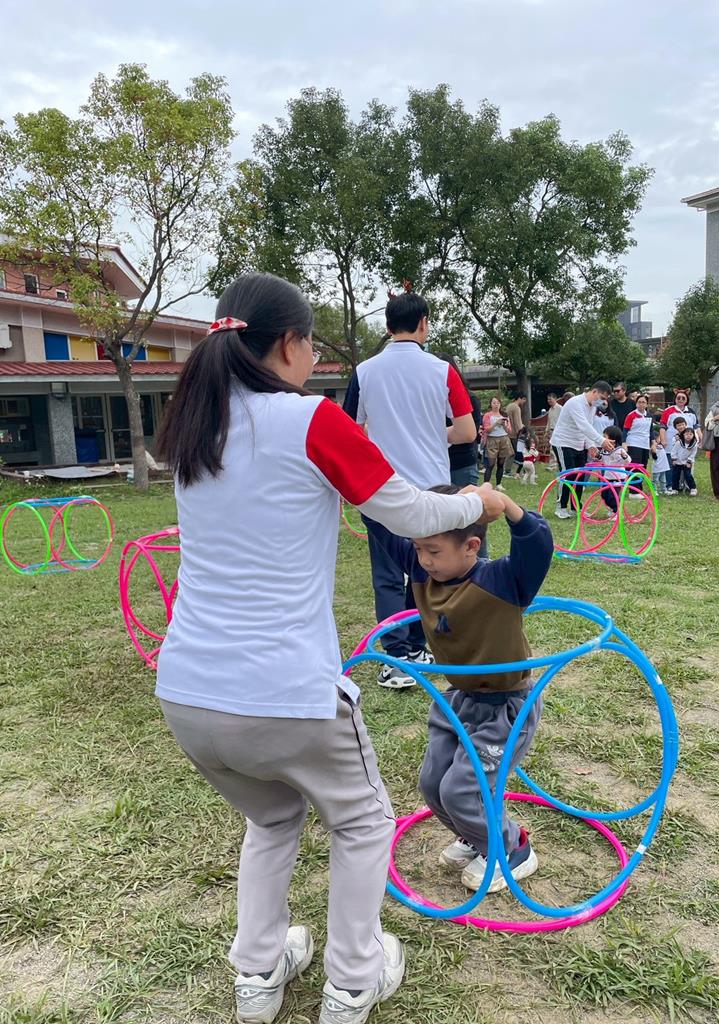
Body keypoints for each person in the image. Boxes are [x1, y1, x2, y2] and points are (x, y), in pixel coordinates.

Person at [154, 272, 507, 1024]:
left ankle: (257, 974)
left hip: (187, 694)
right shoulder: (309, 418)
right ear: (287, 343)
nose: (315, 359)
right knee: (363, 822)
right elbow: (412, 512)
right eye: (312, 344)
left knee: (272, 819)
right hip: (286, 694)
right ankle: (353, 979)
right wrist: (480, 500)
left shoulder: (194, 426)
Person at [366, 485, 553, 893]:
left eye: (433, 550)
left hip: (506, 707)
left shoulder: (503, 580)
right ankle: (474, 835)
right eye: (418, 549)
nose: (422, 560)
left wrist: (505, 505)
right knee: (433, 784)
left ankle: (512, 848)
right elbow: (379, 522)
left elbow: (537, 544)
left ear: (471, 546)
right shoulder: (422, 571)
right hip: (457, 702)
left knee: (462, 789)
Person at [343, 292, 478, 689]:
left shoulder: (364, 372)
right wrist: (435, 435)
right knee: (426, 569)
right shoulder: (442, 370)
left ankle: (395, 657)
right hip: (433, 491)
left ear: (387, 326)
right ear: (424, 323)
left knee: (387, 575)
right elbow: (467, 431)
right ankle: (418, 646)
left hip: (381, 488)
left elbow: (351, 433)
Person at [437, 353, 488, 558]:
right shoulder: (430, 399)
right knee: (441, 520)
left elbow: (469, 434)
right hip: (437, 466)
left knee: (472, 518)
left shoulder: (468, 398)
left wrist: (436, 435)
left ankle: (481, 561)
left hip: (462, 465)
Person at [549, 381, 615, 519]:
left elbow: (588, 426)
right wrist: (601, 441)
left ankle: (576, 507)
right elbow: (583, 425)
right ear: (595, 392)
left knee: (580, 475)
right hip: (563, 442)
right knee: (568, 474)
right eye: (602, 398)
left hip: (579, 444)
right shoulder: (575, 403)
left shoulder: (592, 407)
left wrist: (590, 445)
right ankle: (561, 507)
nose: (603, 402)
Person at [659, 389, 701, 493]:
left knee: (687, 465)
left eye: (683, 398)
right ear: (675, 399)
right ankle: (671, 486)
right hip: (672, 444)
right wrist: (663, 439)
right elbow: (662, 426)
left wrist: (701, 439)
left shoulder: (691, 411)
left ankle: (687, 486)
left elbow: (696, 427)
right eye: (678, 398)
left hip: (687, 445)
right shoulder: (668, 411)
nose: (681, 400)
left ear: (687, 400)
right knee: (672, 465)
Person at [597, 425, 631, 515]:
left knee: (613, 496)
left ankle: (617, 512)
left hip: (618, 477)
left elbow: (628, 461)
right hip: (607, 477)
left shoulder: (620, 450)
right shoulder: (604, 450)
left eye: (605, 437)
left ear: (613, 439)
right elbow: (603, 460)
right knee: (604, 495)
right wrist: (597, 456)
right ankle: (613, 509)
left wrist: (624, 456)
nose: (603, 439)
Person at [482, 396, 513, 489]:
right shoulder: (487, 415)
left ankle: (498, 484)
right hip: (492, 439)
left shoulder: (504, 415)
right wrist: (496, 423)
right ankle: (486, 485)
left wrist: (504, 425)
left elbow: (509, 431)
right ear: (491, 404)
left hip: (504, 438)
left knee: (501, 463)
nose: (496, 405)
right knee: (490, 464)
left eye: (498, 403)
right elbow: (487, 429)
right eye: (494, 403)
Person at [622, 393, 656, 469]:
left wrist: (653, 444)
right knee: (634, 467)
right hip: (633, 444)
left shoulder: (649, 416)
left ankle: (640, 478)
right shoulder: (631, 415)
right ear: (636, 404)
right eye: (639, 402)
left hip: (645, 445)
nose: (641, 404)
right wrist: (624, 443)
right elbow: (625, 430)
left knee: (643, 467)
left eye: (643, 402)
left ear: (647, 404)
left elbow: (650, 431)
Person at [503, 392, 527, 476]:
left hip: (508, 432)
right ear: (520, 398)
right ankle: (524, 471)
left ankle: (507, 470)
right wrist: (522, 431)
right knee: (520, 452)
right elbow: (518, 423)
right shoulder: (516, 408)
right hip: (515, 434)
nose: (524, 402)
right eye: (524, 399)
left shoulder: (509, 406)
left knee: (511, 452)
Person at [670, 426, 698, 495]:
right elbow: (674, 451)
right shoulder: (679, 443)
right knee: (675, 476)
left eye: (690, 434)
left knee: (688, 475)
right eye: (687, 434)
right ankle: (674, 489)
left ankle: (693, 488)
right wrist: (674, 459)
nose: (688, 436)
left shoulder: (694, 444)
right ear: (683, 435)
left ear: (693, 435)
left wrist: (689, 461)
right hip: (677, 462)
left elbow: (693, 454)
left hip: (687, 463)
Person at [545, 392, 562, 470]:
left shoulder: (560, 408)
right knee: (551, 448)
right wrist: (546, 431)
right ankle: (552, 465)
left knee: (557, 448)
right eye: (548, 399)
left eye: (550, 399)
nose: (549, 401)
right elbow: (549, 421)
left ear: (555, 399)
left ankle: (556, 464)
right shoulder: (550, 409)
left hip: (558, 431)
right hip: (551, 431)